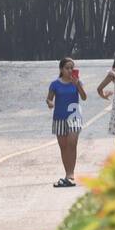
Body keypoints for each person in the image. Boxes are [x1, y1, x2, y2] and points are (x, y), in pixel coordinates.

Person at [46, 57, 86, 187]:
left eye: (72, 68)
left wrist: (77, 85)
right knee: (63, 147)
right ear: (61, 69)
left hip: (74, 117)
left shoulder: (77, 82)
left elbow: (84, 97)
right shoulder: (55, 84)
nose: (70, 70)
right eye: (67, 68)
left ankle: (71, 174)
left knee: (72, 143)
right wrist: (50, 103)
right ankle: (67, 172)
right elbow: (49, 99)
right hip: (59, 118)